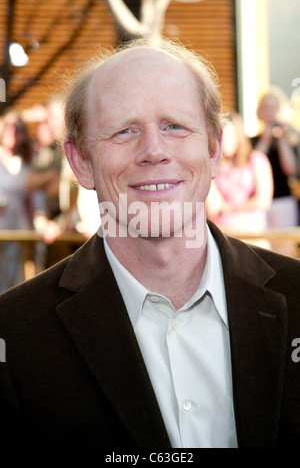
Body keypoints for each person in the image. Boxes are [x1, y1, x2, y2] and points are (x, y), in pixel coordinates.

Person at [0, 38, 299, 449]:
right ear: (81, 162)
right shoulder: (14, 337)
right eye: (124, 131)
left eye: (175, 125)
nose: (154, 151)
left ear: (214, 148)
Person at [0, 111, 59, 292]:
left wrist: (45, 223)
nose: (12, 132)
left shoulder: (29, 164)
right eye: (8, 127)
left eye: (17, 129)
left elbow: (37, 203)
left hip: (21, 242)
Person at [206, 112, 273, 246]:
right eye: (221, 137)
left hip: (254, 236)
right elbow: (213, 207)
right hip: (223, 237)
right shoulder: (210, 166)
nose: (225, 141)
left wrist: (229, 208)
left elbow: (263, 201)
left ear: (239, 137)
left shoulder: (257, 160)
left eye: (230, 136)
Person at [251, 86, 299, 229]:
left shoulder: (293, 139)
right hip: (258, 202)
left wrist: (282, 140)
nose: (270, 113)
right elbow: (251, 168)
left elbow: (291, 171)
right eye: (266, 108)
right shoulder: (253, 141)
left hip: (283, 200)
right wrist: (265, 141)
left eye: (274, 108)